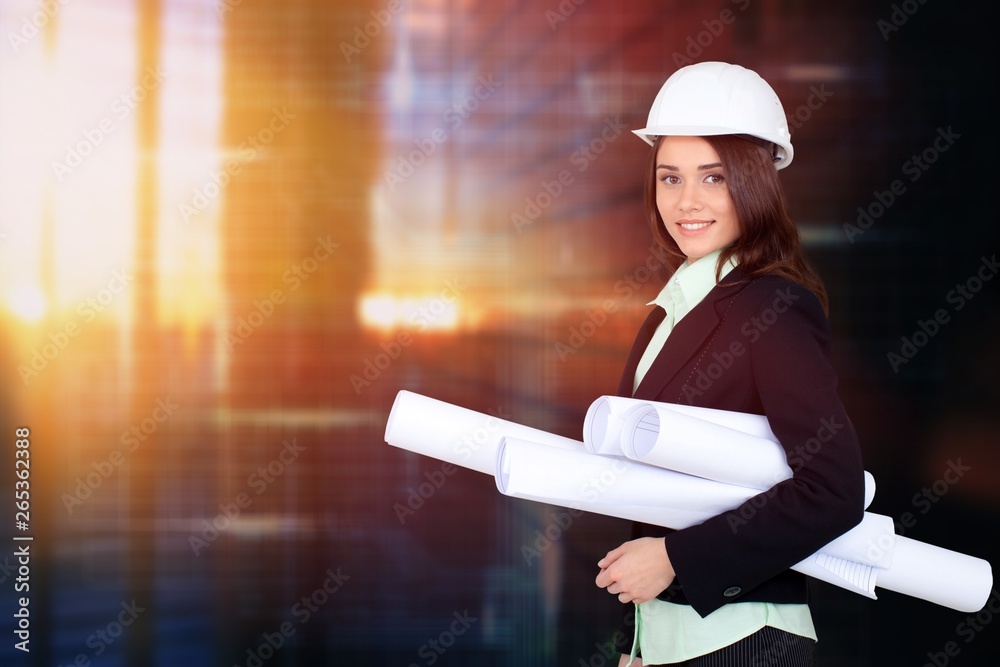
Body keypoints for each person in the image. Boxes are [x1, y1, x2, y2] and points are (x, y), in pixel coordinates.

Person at [593, 61, 867, 666]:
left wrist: (675, 561)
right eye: (670, 178)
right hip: (666, 644)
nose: (685, 201)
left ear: (754, 183)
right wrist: (635, 643)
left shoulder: (773, 306)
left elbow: (834, 490)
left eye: (712, 178)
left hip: (744, 644)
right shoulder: (667, 315)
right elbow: (652, 498)